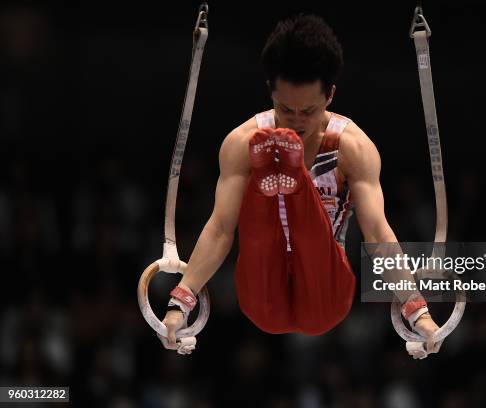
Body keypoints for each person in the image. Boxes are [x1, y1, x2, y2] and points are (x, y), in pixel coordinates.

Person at [158, 14, 442, 357]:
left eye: (307, 110)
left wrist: (418, 311)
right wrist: (181, 301)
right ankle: (279, 177)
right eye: (284, 109)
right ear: (269, 90)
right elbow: (221, 228)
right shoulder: (241, 142)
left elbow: (379, 236)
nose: (296, 120)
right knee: (258, 235)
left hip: (326, 292)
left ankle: (291, 179)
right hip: (262, 294)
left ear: (330, 95)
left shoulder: (353, 148)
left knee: (311, 235)